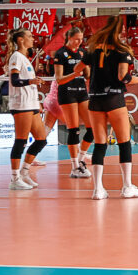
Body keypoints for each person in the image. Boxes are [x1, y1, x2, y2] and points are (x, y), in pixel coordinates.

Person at [65, 15, 138, 199]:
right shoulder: (122, 50)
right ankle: (127, 186)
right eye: (123, 29)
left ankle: (98, 190)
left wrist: (93, 71)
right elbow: (123, 77)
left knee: (100, 144)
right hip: (114, 99)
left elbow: (78, 69)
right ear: (119, 30)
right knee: (124, 143)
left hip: (95, 99)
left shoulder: (93, 49)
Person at [4, 28, 48, 190]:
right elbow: (15, 81)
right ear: (21, 40)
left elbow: (28, 83)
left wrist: (37, 102)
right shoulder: (16, 57)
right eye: (29, 36)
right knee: (21, 141)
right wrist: (31, 81)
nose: (33, 39)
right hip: (21, 104)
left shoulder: (25, 58)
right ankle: (14, 178)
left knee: (41, 140)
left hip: (31, 104)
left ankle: (24, 172)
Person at [53, 26, 93, 177]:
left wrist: (87, 65)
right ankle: (74, 167)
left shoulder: (82, 52)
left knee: (92, 129)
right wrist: (75, 73)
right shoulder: (60, 53)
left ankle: (81, 161)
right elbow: (59, 79)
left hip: (81, 92)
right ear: (69, 38)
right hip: (67, 93)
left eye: (81, 39)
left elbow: (87, 75)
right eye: (76, 39)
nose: (79, 42)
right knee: (74, 130)